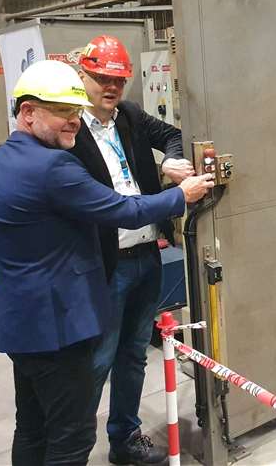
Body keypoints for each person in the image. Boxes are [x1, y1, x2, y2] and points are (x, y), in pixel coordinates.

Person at [0, 60, 213, 466]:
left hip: (18, 322)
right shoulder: (52, 167)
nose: (74, 122)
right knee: (71, 437)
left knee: (31, 426)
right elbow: (120, 209)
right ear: (28, 112)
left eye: (75, 111)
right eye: (63, 112)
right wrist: (181, 195)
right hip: (58, 327)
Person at [69, 35, 193, 465]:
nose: (111, 87)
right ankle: (73, 450)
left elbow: (173, 134)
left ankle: (125, 437)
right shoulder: (70, 131)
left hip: (146, 255)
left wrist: (168, 162)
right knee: (98, 359)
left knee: (134, 354)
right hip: (106, 264)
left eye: (119, 80)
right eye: (102, 78)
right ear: (82, 75)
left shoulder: (131, 116)